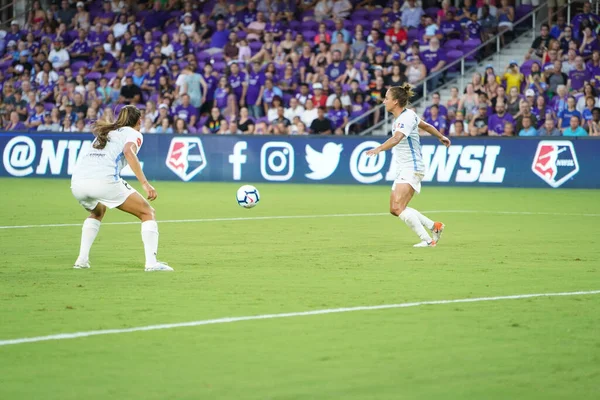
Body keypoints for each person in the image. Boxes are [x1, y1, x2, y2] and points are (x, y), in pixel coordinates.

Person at [70, 105, 172, 272]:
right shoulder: (134, 134)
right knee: (147, 212)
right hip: (104, 181)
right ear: (139, 121)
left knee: (97, 211)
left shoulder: (106, 132)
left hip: (77, 183)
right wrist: (145, 184)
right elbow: (128, 152)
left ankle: (82, 260)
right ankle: (151, 264)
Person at [365, 83, 450, 247]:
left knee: (398, 208)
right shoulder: (406, 116)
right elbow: (425, 126)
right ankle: (435, 227)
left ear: (395, 101)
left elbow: (397, 139)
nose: (384, 101)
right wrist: (441, 137)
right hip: (404, 168)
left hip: (412, 167)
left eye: (387, 98)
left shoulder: (405, 118)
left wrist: (379, 149)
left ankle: (427, 240)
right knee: (394, 209)